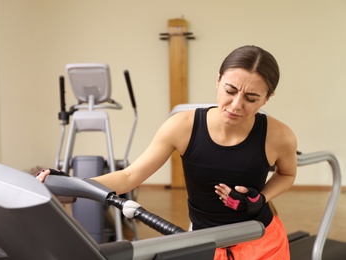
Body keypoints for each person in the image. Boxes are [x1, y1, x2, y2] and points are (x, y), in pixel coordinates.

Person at [37, 45, 297, 260]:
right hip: (205, 239)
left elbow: (287, 174)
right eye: (230, 91)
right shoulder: (182, 127)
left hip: (261, 240)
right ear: (218, 81)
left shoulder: (279, 135)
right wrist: (71, 185)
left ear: (267, 98)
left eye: (251, 98)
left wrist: (260, 199)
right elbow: (130, 176)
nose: (236, 105)